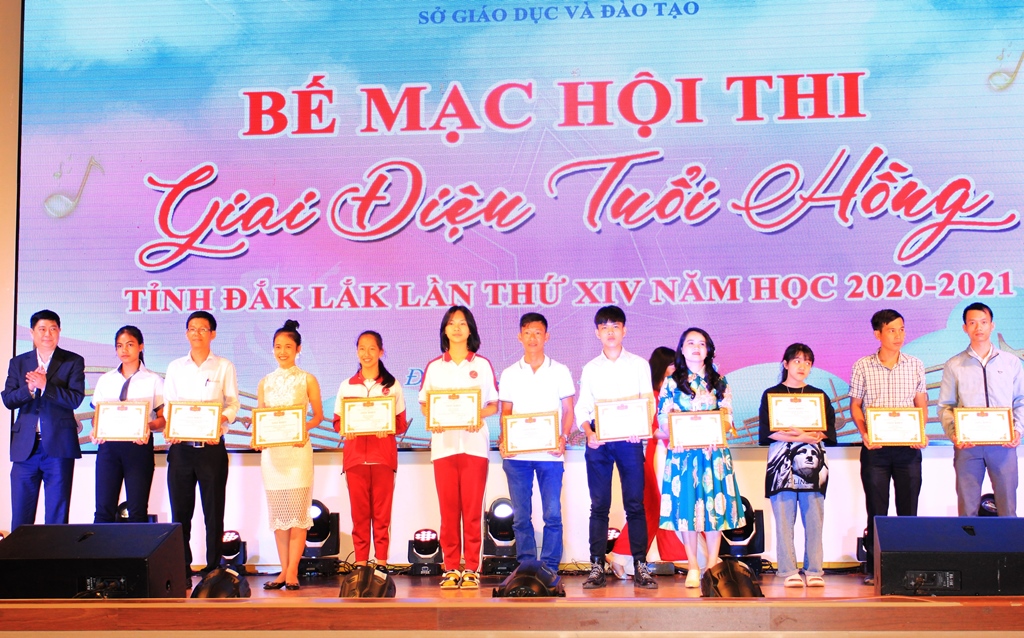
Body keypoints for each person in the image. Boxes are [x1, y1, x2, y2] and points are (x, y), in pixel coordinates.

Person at [575, 305, 658, 589]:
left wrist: (641, 430)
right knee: (599, 505)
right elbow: (583, 407)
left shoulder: (638, 364)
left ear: (624, 330)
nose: (610, 332)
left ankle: (641, 565)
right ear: (597, 333)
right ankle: (597, 565)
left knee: (635, 504)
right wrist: (588, 432)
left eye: (615, 326)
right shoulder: (591, 368)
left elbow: (648, 402)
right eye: (604, 327)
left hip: (629, 441)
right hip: (599, 440)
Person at [657, 327, 745, 589]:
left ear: (708, 350)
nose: (696, 348)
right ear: (682, 349)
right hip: (683, 456)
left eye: (702, 343)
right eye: (691, 343)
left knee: (714, 508)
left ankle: (713, 564)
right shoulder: (671, 382)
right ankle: (693, 565)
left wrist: (717, 430)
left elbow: (727, 417)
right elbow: (663, 419)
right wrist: (676, 431)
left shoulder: (720, 381)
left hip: (713, 454)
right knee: (687, 510)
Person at [418, 306, 498, 590]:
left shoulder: (482, 365)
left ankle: (472, 568)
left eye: (462, 323)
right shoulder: (435, 366)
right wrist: (433, 419)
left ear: (470, 329)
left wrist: (477, 416)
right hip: (444, 447)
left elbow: (493, 405)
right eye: (451, 323)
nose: (456, 328)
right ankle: (451, 567)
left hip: (474, 447)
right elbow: (425, 404)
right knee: (449, 512)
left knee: (473, 511)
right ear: (444, 329)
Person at [849, 309, 928, 585]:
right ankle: (876, 569)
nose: (898, 335)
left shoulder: (915, 364)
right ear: (878, 334)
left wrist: (920, 432)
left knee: (909, 511)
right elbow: (856, 405)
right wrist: (864, 433)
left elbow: (921, 403)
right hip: (876, 450)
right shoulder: (862, 366)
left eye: (902, 329)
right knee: (877, 511)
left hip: (908, 449)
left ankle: (908, 569)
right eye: (892, 330)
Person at [164, 311, 241, 580]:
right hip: (181, 450)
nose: (197, 333)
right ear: (186, 333)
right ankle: (182, 568)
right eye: (192, 328)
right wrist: (172, 427)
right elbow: (170, 405)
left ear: (213, 334)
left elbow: (233, 404)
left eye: (203, 329)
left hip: (211, 449)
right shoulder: (175, 367)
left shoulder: (224, 366)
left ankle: (213, 568)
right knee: (180, 514)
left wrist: (220, 419)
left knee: (214, 512)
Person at [498, 312, 575, 573]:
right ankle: (527, 566)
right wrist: (505, 440)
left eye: (538, 333)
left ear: (547, 336)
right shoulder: (510, 373)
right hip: (517, 457)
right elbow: (506, 412)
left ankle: (550, 567)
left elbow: (568, 410)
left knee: (552, 514)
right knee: (521, 516)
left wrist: (563, 438)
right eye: (528, 333)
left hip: (550, 455)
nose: (533, 338)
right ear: (519, 336)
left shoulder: (560, 370)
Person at [757, 343, 837, 588]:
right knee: (784, 520)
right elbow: (767, 431)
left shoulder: (818, 396)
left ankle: (814, 570)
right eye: (797, 361)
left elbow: (828, 430)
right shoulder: (772, 394)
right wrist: (801, 437)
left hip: (813, 464)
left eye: (807, 362)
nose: (802, 366)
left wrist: (807, 436)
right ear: (786, 364)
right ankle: (788, 570)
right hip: (780, 464)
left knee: (814, 520)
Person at [939, 302, 1024, 518]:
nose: (979, 328)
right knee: (967, 511)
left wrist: (1017, 430)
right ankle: (968, 543)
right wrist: (954, 434)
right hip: (968, 446)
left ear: (992, 325)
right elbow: (946, 406)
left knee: (1008, 509)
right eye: (972, 323)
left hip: (1003, 445)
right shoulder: (954, 364)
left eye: (984, 322)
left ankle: (1009, 543)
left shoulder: (1011, 362)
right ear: (965, 328)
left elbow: (1020, 400)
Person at [255, 320, 323, 590]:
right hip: (272, 457)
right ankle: (283, 570)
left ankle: (293, 570)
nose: (282, 352)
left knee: (298, 514)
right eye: (277, 347)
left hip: (297, 453)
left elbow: (318, 416)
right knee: (279, 516)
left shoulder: (307, 379)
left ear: (298, 349)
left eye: (287, 347)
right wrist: (258, 438)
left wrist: (301, 429)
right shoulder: (264, 382)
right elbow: (261, 418)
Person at [2, 309, 85, 529]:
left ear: (59, 331)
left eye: (52, 329)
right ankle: (19, 553)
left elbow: (75, 399)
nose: (47, 334)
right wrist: (29, 388)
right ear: (32, 333)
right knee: (21, 515)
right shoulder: (19, 363)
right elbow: (8, 399)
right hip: (25, 449)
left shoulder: (72, 361)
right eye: (42, 329)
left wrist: (46, 385)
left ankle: (55, 554)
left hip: (58, 447)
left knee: (57, 515)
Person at [333, 330, 408, 569]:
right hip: (355, 460)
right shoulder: (347, 386)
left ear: (381, 351)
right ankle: (361, 563)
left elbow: (400, 423)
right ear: (357, 352)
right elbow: (338, 422)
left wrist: (387, 428)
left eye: (372, 348)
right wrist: (346, 429)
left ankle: (381, 562)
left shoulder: (392, 385)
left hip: (383, 458)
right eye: (362, 348)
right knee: (360, 516)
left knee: (382, 516)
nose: (366, 353)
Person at [609, 346, 687, 576]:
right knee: (656, 507)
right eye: (672, 364)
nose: (676, 368)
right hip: (658, 456)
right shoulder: (653, 396)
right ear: (662, 367)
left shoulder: (674, 393)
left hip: (674, 454)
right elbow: (652, 429)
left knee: (658, 509)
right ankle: (620, 556)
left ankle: (621, 557)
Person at [91, 326, 165, 523]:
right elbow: (96, 417)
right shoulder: (105, 380)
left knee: (137, 511)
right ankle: (101, 545)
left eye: (130, 344)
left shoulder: (154, 380)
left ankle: (136, 545)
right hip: (108, 449)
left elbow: (163, 420)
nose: (124, 350)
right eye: (119, 346)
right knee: (103, 510)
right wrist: (95, 428)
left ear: (141, 346)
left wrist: (147, 427)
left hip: (138, 449)